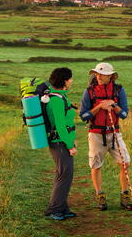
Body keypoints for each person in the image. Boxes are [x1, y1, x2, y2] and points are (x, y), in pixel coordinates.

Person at [79, 62, 132, 211]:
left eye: (101, 74)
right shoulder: (89, 91)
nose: (98, 76)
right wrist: (99, 107)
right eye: (96, 74)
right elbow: (83, 116)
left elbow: (124, 114)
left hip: (115, 133)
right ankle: (100, 195)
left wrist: (113, 104)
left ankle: (124, 195)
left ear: (110, 76)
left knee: (125, 163)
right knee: (96, 165)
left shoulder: (118, 91)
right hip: (96, 134)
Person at [42, 67, 77, 220]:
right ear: (64, 81)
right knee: (64, 175)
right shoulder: (56, 100)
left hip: (61, 142)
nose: (72, 81)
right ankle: (53, 209)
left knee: (63, 174)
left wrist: (72, 138)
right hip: (59, 143)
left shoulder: (60, 97)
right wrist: (70, 145)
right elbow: (61, 126)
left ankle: (62, 208)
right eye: (70, 78)